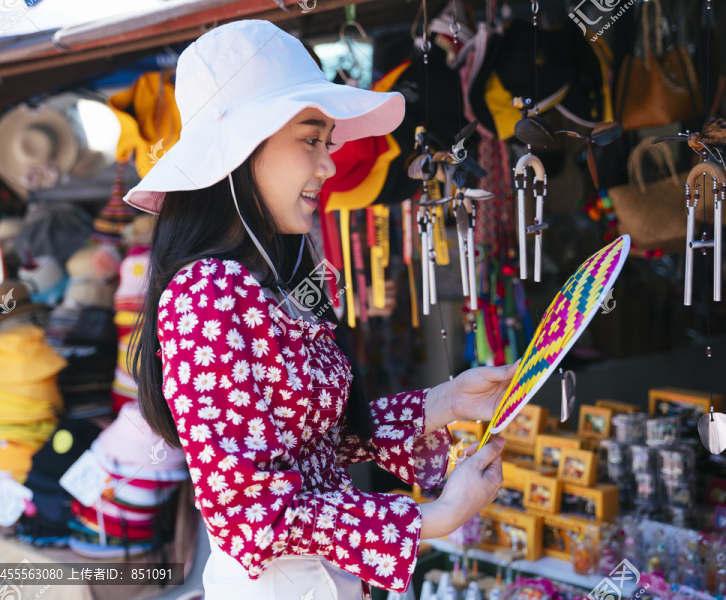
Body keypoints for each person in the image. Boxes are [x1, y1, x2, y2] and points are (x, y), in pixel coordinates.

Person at [125, 19, 516, 600]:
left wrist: (448, 401)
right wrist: (431, 519)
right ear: (241, 148)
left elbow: (318, 442)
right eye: (312, 140)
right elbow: (246, 512)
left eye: (327, 142)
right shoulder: (205, 294)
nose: (329, 165)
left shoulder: (267, 279)